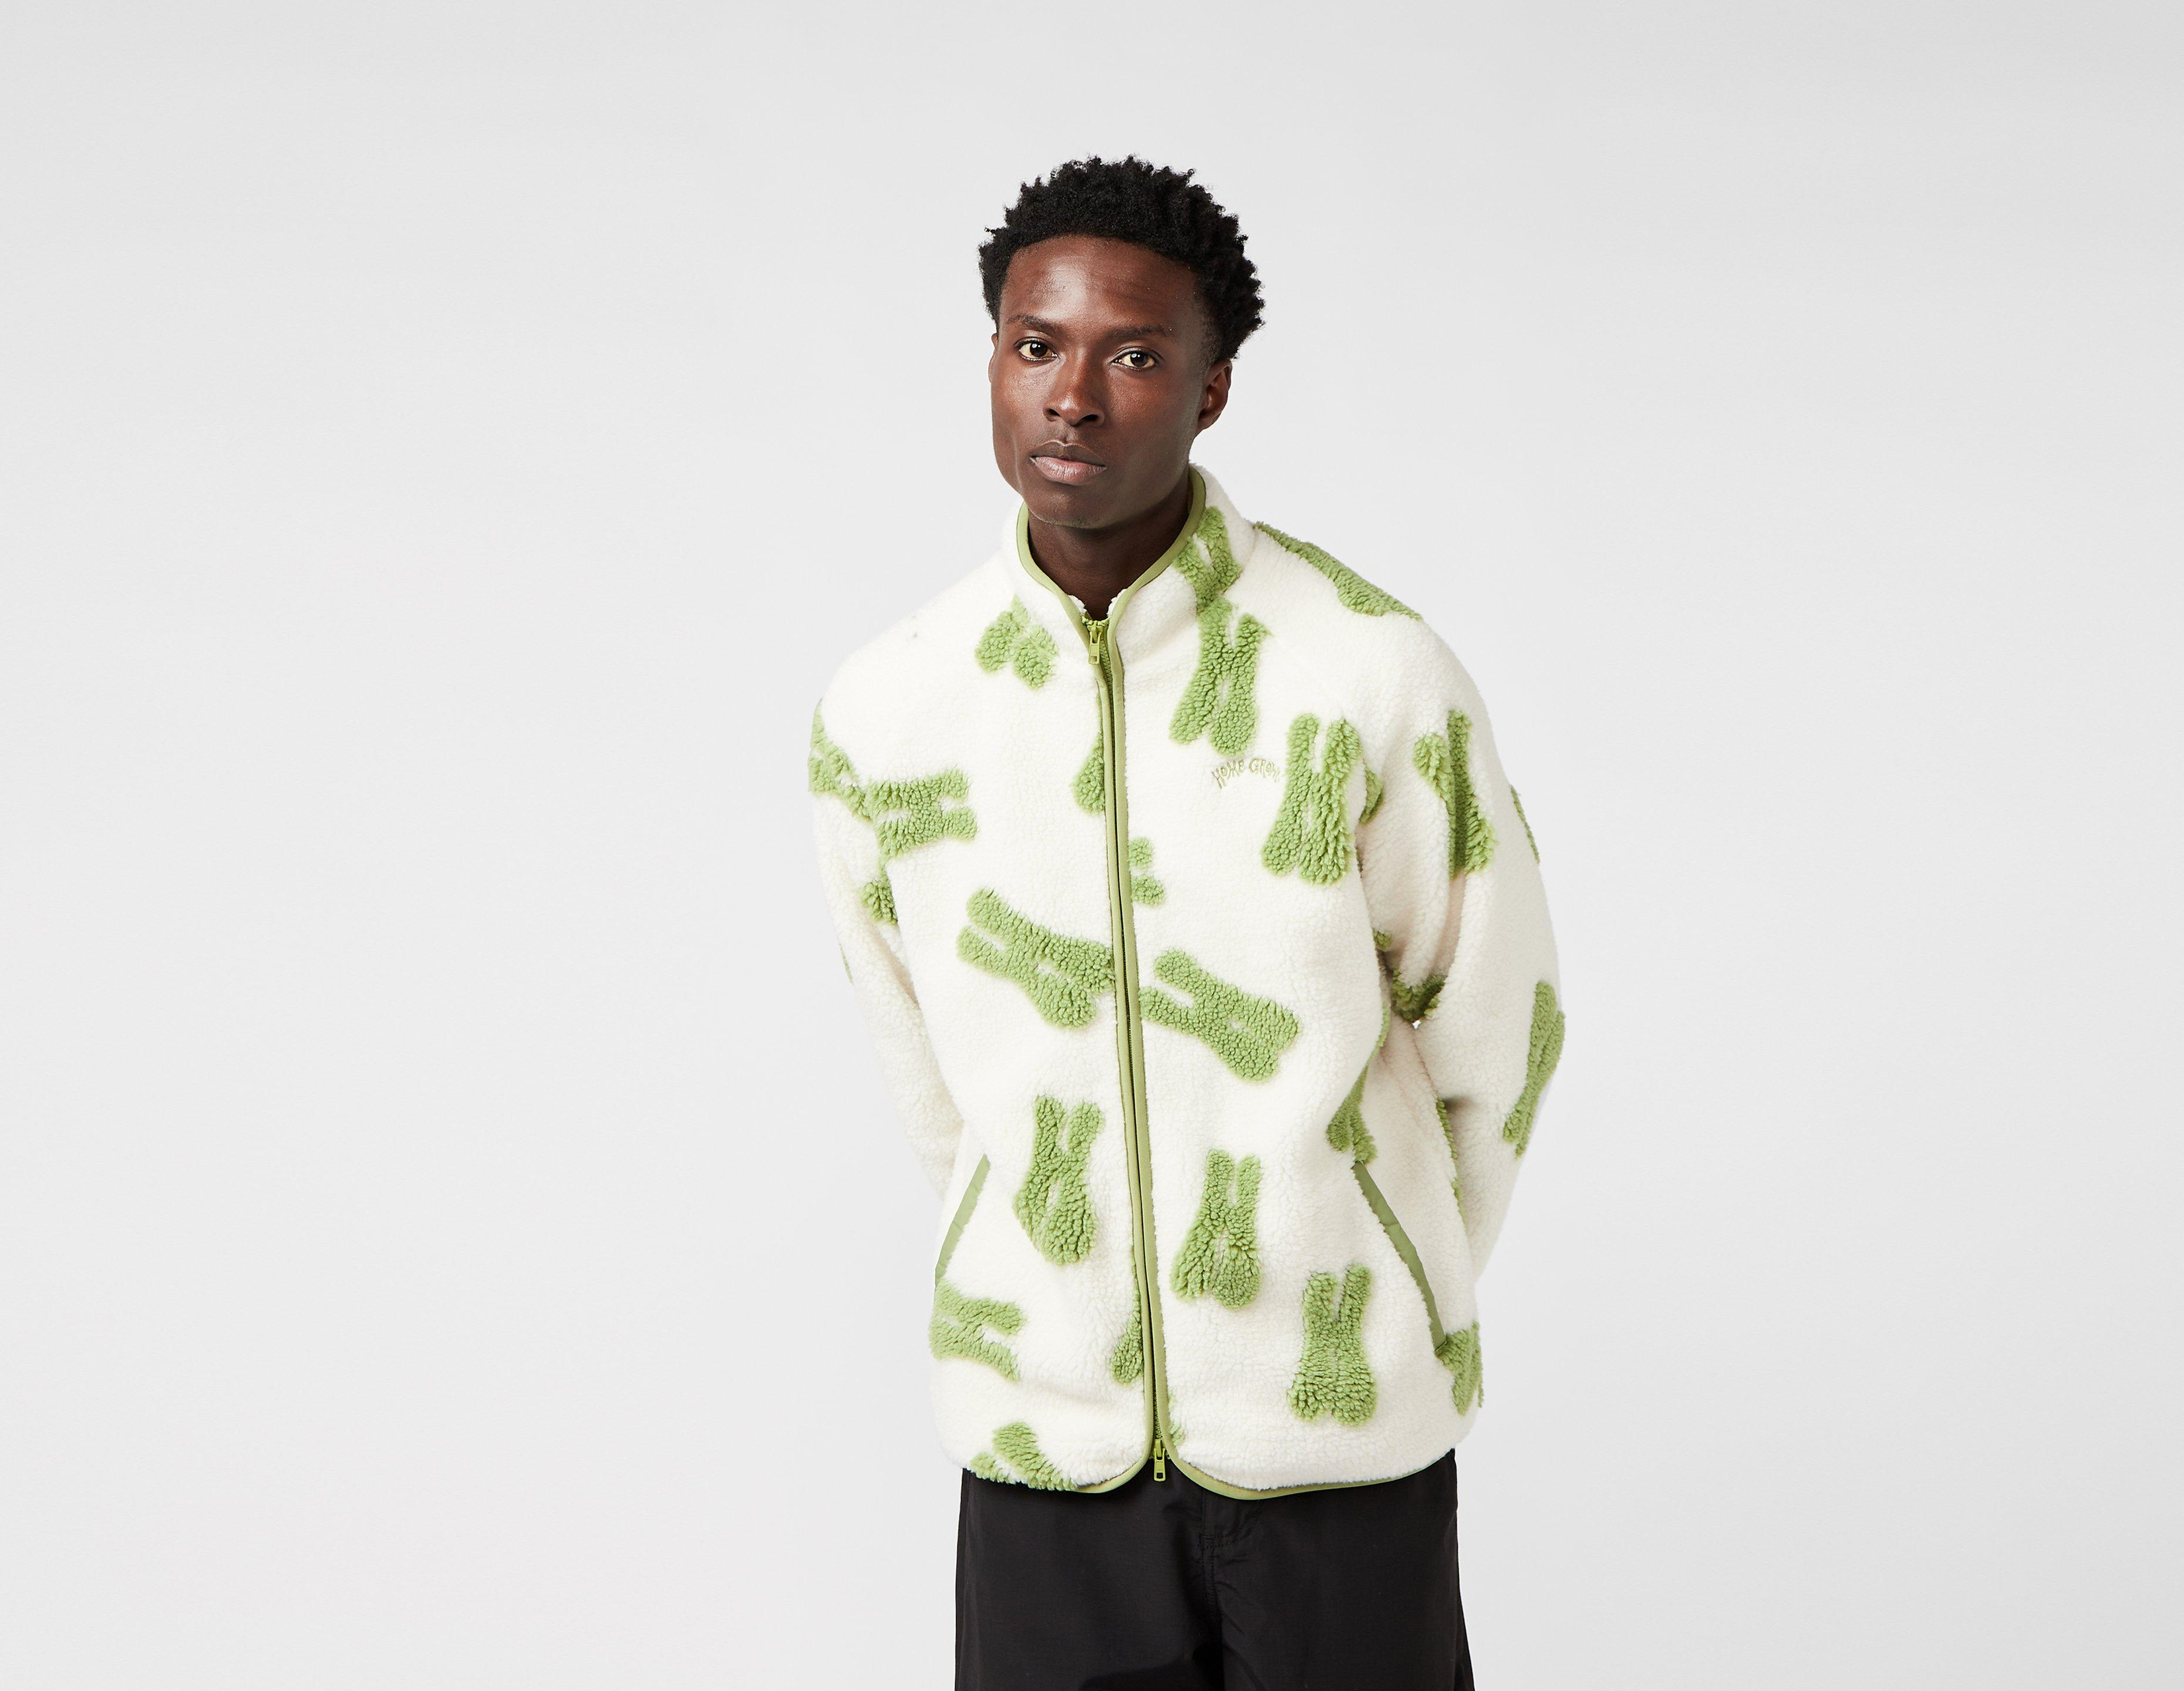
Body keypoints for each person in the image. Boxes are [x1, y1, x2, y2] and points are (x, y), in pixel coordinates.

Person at [807, 156, 1563, 1690]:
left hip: (1335, 1452)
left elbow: (1496, 1035)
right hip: (1044, 1457)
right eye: (1036, 346)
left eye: (1135, 355)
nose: (1073, 398)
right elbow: (927, 1071)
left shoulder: (1369, 673)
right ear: (993, 362)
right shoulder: (891, 709)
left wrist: (1378, 1272)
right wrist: (1056, 1286)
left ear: (1213, 392)